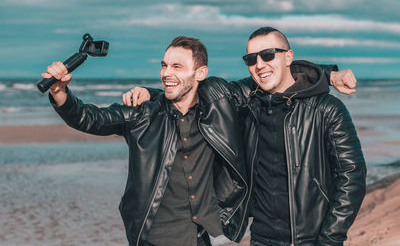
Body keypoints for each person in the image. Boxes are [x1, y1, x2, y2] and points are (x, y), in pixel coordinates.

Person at [124, 27, 366, 246]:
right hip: (261, 236)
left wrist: (331, 238)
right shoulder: (247, 102)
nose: (259, 64)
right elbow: (194, 92)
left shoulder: (326, 109)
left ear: (289, 57)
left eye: (268, 55)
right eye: (251, 59)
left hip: (311, 238)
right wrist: (152, 93)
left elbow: (352, 176)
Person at [41, 36, 250, 246]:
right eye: (164, 65)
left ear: (201, 73)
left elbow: (262, 85)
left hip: (203, 237)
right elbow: (88, 118)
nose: (167, 73)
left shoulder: (218, 105)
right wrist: (59, 91)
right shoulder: (142, 115)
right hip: (154, 238)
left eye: (177, 66)